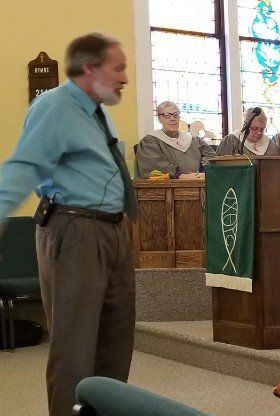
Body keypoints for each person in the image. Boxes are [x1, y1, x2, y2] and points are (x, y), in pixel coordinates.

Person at [0, 33, 136, 416]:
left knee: (115, 343)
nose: (125, 78)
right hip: (75, 231)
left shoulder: (98, 111)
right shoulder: (55, 107)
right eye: (119, 68)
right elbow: (24, 165)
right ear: (90, 68)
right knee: (75, 351)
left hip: (112, 231)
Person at [135, 100, 215, 179]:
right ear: (159, 119)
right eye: (167, 116)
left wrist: (203, 172)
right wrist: (179, 175)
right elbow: (153, 164)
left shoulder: (193, 140)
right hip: (167, 189)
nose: (172, 119)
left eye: (176, 115)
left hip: (197, 185)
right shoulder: (150, 142)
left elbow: (211, 156)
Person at [216, 106, 280, 157]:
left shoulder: (271, 145)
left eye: (262, 129)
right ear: (246, 125)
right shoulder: (232, 141)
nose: (259, 133)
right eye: (255, 128)